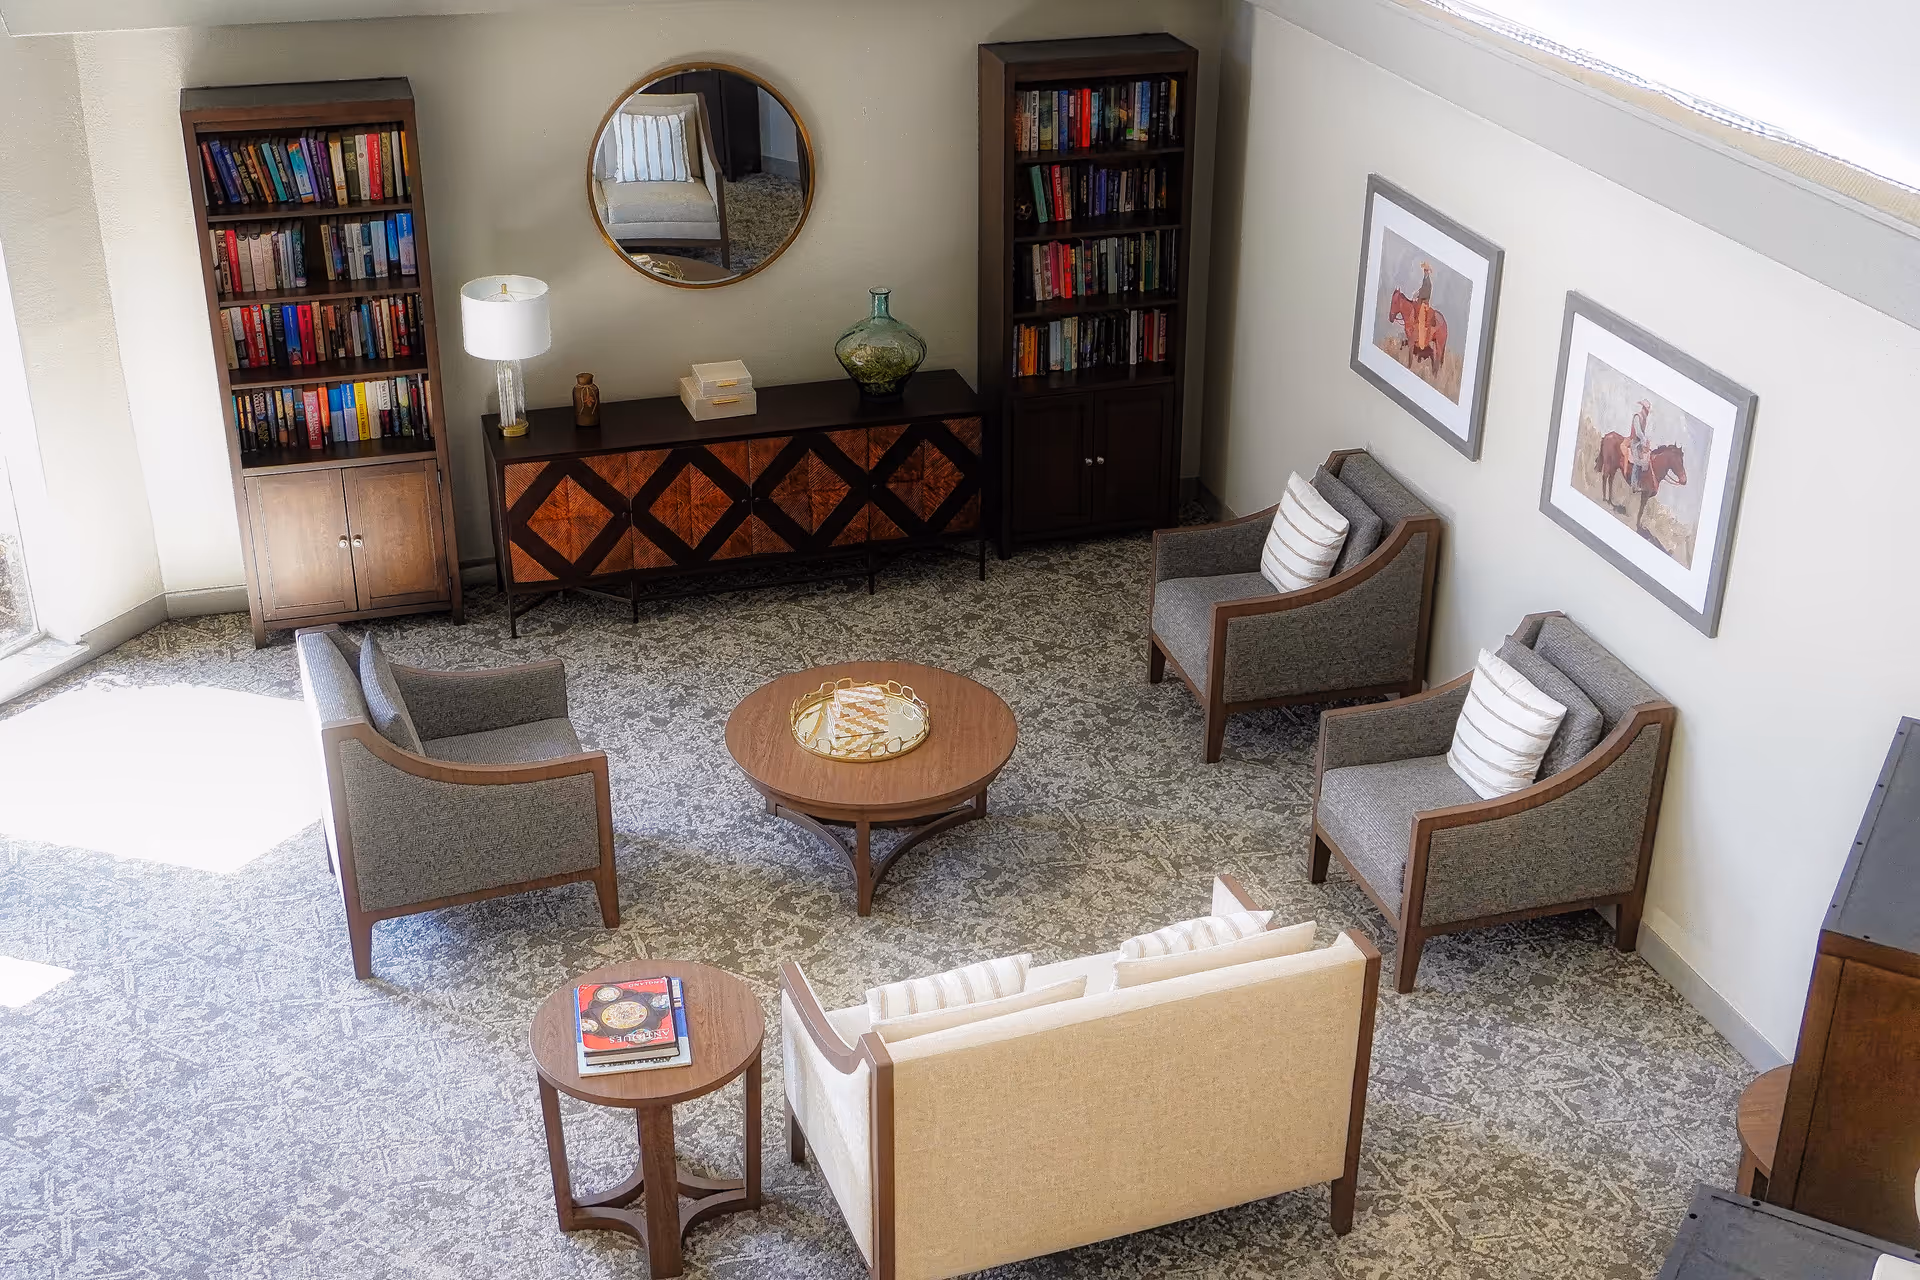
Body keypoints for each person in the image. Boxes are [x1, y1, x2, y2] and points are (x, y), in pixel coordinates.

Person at [1627, 398, 1652, 490]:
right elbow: (1638, 432)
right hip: (1635, 442)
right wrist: (1644, 440)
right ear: (1644, 409)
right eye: (1647, 410)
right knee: (1637, 462)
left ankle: (1641, 482)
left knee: (1646, 460)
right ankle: (1634, 484)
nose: (1648, 412)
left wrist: (1646, 442)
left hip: (1640, 443)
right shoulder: (1637, 417)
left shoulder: (1644, 418)